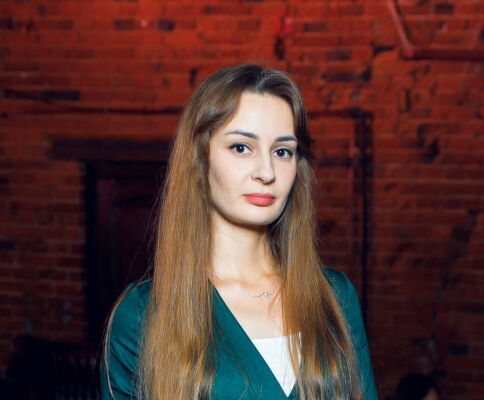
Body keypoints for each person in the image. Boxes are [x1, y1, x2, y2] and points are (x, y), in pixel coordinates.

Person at [101, 64, 378, 400]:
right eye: (241, 147)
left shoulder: (335, 297)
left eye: (282, 151)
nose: (266, 171)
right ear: (200, 159)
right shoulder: (142, 314)